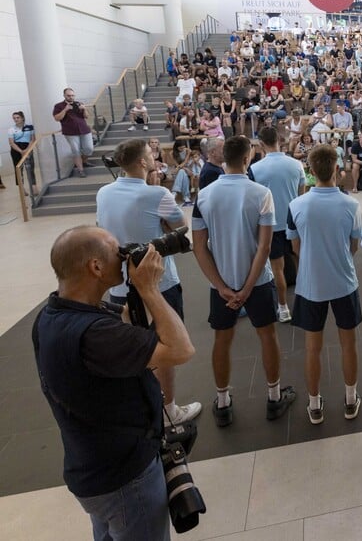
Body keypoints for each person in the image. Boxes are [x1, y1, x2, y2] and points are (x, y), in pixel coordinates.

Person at [34, 226, 195, 540]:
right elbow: (181, 349)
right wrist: (150, 289)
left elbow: (128, 325)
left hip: (92, 466)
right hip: (125, 477)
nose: (122, 257)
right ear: (95, 267)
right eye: (115, 252)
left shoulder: (52, 315)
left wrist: (138, 287)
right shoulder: (94, 335)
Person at [95, 138, 202, 425]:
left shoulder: (103, 193)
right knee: (166, 346)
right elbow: (180, 228)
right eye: (150, 155)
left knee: (132, 349)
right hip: (159, 284)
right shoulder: (157, 194)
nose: (155, 157)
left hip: (119, 287)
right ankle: (169, 410)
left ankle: (141, 407)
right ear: (142, 163)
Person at [192, 136, 296, 426]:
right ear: (248, 158)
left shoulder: (204, 195)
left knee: (222, 340)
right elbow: (264, 247)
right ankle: (274, 397)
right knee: (267, 336)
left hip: (221, 283)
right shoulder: (261, 193)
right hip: (258, 282)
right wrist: (249, 287)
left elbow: (199, 246)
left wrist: (223, 287)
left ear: (223, 157)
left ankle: (223, 402)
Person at [287, 145, 362, 424]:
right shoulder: (352, 205)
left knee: (311, 347)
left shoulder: (295, 206)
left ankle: (315, 404)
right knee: (349, 344)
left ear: (310, 171)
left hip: (310, 284)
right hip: (344, 282)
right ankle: (351, 398)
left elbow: (295, 246)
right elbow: (353, 245)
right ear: (336, 169)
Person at [249, 127, 306, 323]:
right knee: (300, 262)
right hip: (294, 222)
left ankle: (283, 308)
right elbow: (301, 195)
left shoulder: (255, 169)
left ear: (261, 144)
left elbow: (253, 200)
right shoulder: (296, 164)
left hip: (271, 225)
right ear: (279, 140)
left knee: (277, 268)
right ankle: (305, 302)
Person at [53, 87, 94, 177]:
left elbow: (86, 116)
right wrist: (65, 109)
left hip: (84, 129)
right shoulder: (58, 106)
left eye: (72, 95)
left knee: (89, 148)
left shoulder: (79, 103)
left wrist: (84, 109)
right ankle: (81, 170)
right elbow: (57, 118)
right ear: (64, 95)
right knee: (76, 151)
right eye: (68, 95)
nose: (71, 97)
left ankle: (83, 161)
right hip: (70, 132)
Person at [8, 110, 37, 194]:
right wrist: (21, 151)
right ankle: (22, 188)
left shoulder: (30, 127)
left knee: (31, 168)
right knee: (18, 170)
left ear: (22, 118)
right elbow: (11, 142)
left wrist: (27, 150)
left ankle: (33, 186)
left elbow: (32, 139)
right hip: (16, 150)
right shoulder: (11, 129)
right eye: (14, 118)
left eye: (18, 117)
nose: (16, 119)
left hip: (28, 148)